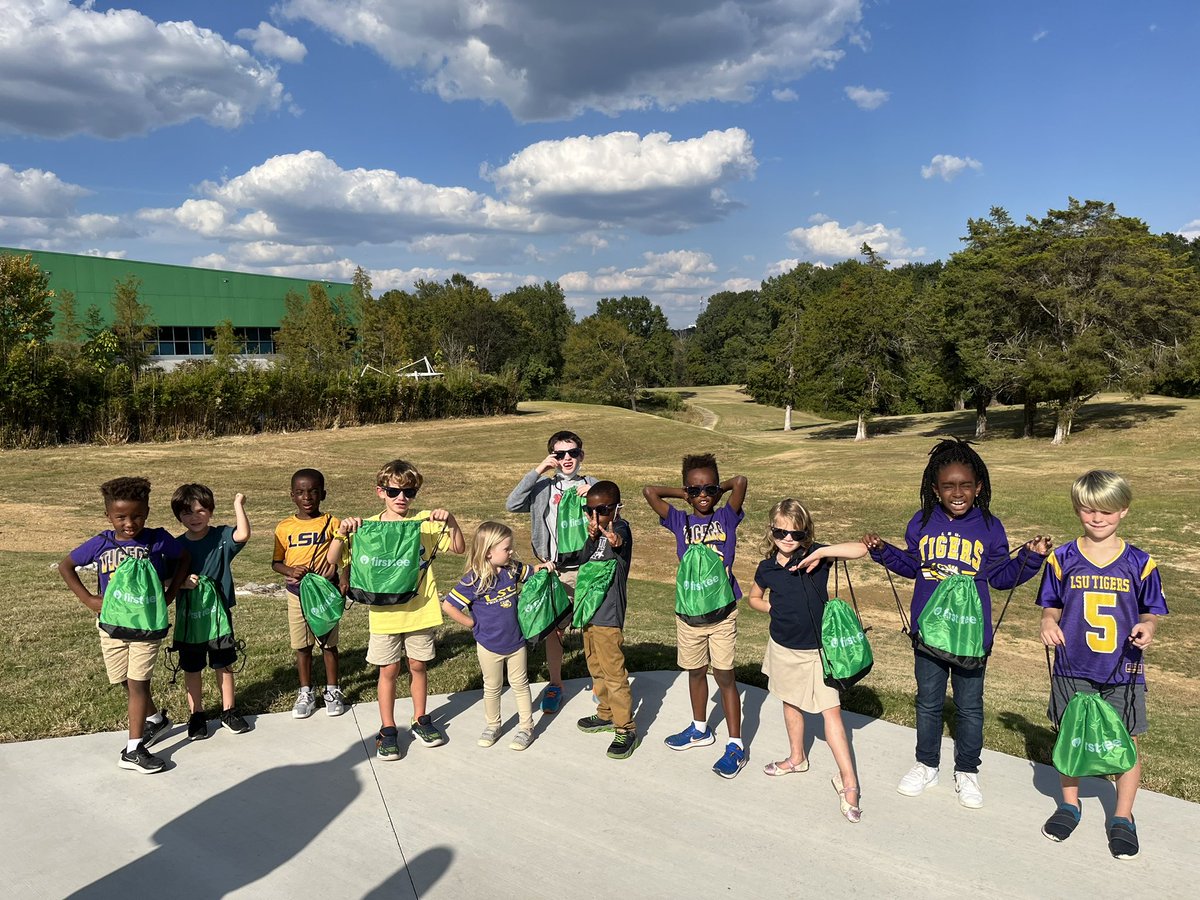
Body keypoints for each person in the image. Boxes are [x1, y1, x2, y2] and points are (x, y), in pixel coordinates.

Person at [863, 437, 1051, 808]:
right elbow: (913, 566)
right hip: (929, 632)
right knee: (928, 703)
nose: (958, 492)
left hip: (969, 634)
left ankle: (967, 771)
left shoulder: (990, 527)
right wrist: (882, 551)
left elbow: (1000, 577)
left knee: (969, 708)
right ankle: (926, 765)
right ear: (935, 489)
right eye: (948, 486)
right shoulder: (921, 521)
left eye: (965, 485)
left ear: (978, 487)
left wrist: (1030, 558)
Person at [1037, 470, 1167, 859]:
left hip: (1122, 669)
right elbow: (1051, 605)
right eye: (1088, 510)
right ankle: (1069, 804)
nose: (1097, 518)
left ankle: (1123, 816)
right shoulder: (1061, 558)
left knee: (1127, 742)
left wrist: (1147, 627)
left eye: (1107, 511)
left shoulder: (1140, 562)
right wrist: (1047, 622)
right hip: (1072, 665)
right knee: (1070, 736)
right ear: (1076, 509)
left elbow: (1150, 612)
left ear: (1123, 510)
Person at [329, 459, 464, 761]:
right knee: (388, 670)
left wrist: (451, 521)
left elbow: (458, 548)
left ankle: (420, 719)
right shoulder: (367, 527)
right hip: (384, 612)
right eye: (393, 491)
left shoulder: (425, 523)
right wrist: (342, 532)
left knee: (418, 665)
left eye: (409, 492)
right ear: (380, 491)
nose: (401, 498)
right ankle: (388, 728)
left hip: (420, 610)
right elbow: (333, 559)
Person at [746, 499, 868, 822]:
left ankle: (849, 782)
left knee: (832, 713)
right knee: (790, 703)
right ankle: (796, 758)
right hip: (783, 648)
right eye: (780, 532)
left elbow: (860, 550)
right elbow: (753, 598)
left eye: (796, 534)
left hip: (818, 652)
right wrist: (771, 608)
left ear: (806, 533)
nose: (788, 539)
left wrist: (820, 552)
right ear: (771, 531)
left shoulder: (817, 558)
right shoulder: (767, 568)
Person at [58, 477, 189, 774]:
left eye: (137, 516)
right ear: (108, 516)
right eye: (121, 517)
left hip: (146, 626)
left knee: (138, 683)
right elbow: (66, 566)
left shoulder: (157, 539)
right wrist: (88, 599)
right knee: (122, 680)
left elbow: (184, 557)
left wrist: (170, 593)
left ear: (147, 512)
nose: (130, 523)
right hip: (111, 626)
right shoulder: (101, 543)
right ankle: (156, 720)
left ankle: (133, 750)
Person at [644, 453, 749, 778]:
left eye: (709, 489)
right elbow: (650, 492)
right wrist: (686, 492)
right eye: (695, 490)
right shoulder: (679, 521)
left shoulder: (726, 517)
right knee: (695, 672)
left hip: (722, 614)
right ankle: (700, 728)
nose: (702, 495)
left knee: (725, 677)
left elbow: (740, 482)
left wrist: (715, 489)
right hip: (689, 614)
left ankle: (735, 744)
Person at [505, 430, 597, 714]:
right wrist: (538, 470)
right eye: (560, 454)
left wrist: (595, 496)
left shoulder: (592, 484)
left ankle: (600, 682)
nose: (567, 459)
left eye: (573, 453)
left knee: (594, 627)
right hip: (555, 569)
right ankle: (556, 683)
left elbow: (616, 511)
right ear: (552, 457)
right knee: (554, 630)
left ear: (581, 455)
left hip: (588, 567)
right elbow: (512, 503)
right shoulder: (544, 488)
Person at [441, 523, 548, 751]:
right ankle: (493, 726)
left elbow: (531, 572)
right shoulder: (473, 581)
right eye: (506, 549)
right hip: (488, 645)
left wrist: (544, 568)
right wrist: (471, 623)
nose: (511, 552)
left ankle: (526, 727)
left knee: (520, 684)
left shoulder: (512, 569)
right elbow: (449, 605)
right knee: (492, 687)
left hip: (516, 642)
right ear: (488, 551)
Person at [171, 483, 251, 739]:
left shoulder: (221, 537)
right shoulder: (177, 546)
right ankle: (197, 715)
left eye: (201, 511)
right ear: (178, 516)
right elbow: (165, 580)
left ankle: (229, 710)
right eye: (187, 513)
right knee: (192, 667)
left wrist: (238, 504)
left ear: (211, 511)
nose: (194, 517)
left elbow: (243, 534)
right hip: (190, 619)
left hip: (219, 617)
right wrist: (182, 583)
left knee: (223, 663)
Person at [271, 468, 348, 720]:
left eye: (314, 491)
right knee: (302, 646)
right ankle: (306, 692)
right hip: (297, 593)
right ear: (292, 495)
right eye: (301, 492)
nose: (307, 497)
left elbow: (346, 555)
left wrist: (343, 576)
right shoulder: (284, 527)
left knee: (328, 643)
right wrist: (290, 570)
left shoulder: (333, 523)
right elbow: (276, 562)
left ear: (323, 494)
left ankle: (332, 690)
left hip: (324, 592)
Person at [573, 481, 638, 759]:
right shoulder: (593, 534)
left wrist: (615, 540)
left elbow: (620, 541)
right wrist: (591, 539)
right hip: (589, 612)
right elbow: (583, 560)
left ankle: (625, 728)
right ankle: (605, 713)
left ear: (616, 507)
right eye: (589, 510)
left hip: (608, 616)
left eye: (602, 510)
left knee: (613, 673)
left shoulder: (620, 528)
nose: (595, 516)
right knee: (595, 666)